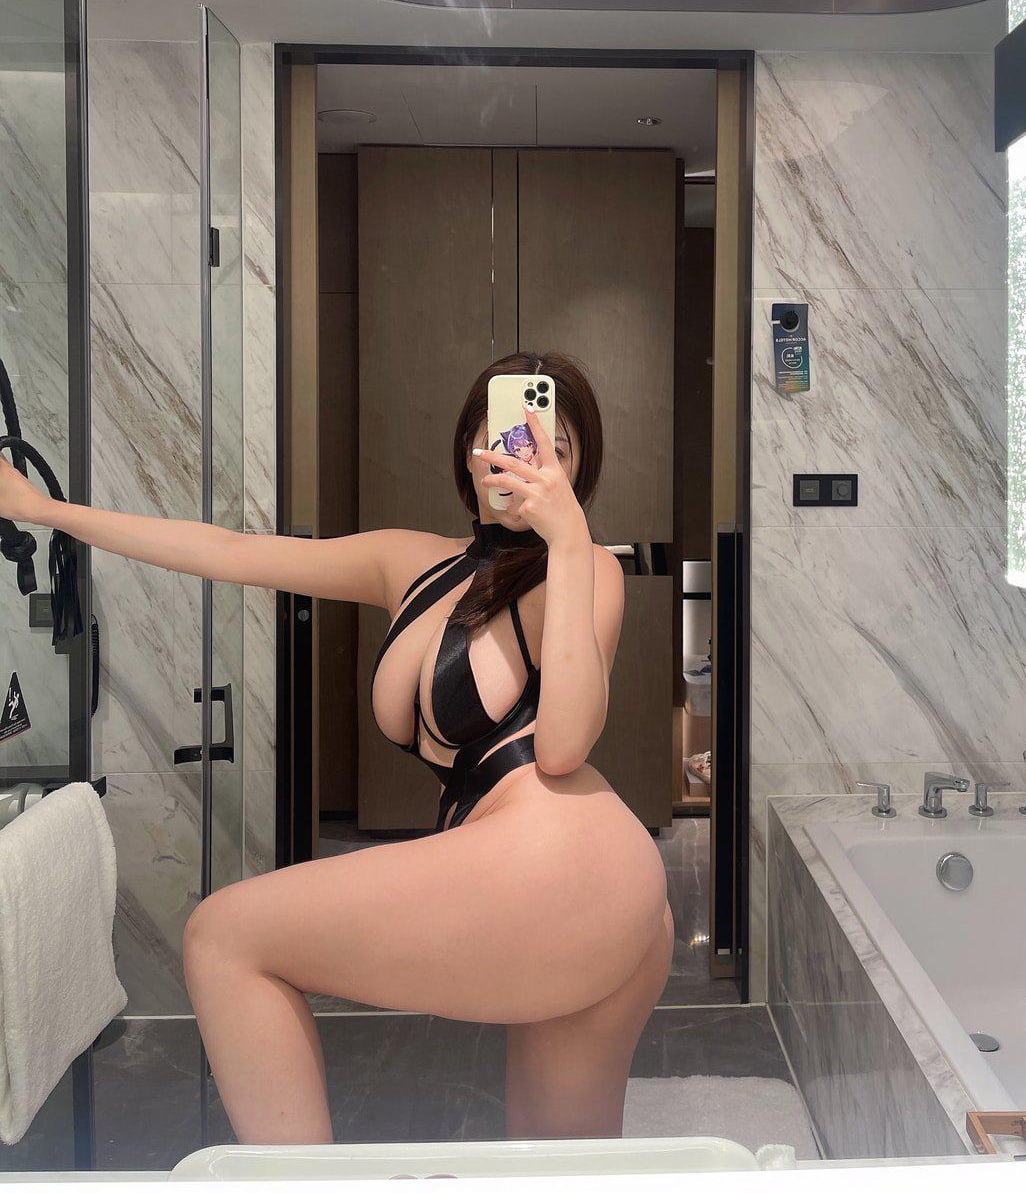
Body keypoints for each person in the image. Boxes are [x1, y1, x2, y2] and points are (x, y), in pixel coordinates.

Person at [0, 350, 672, 1143]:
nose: (533, 463)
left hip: (575, 867)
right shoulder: (408, 561)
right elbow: (231, 551)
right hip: (552, 881)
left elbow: (561, 746)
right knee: (552, 1164)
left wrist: (568, 541)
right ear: (471, 451)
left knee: (225, 938)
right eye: (513, 440)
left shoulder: (585, 568)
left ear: (579, 470)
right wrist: (45, 510)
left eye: (556, 450)